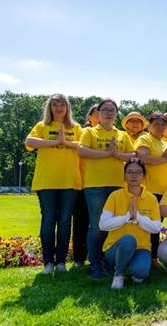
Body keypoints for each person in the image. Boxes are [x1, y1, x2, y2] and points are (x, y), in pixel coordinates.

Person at [79, 98, 136, 279]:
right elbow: (82, 150)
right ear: (98, 114)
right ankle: (95, 263)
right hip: (96, 186)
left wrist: (116, 154)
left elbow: (132, 155)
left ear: (116, 114)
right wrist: (107, 154)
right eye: (105, 110)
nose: (109, 113)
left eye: (112, 110)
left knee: (115, 226)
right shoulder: (90, 132)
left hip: (118, 186)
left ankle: (109, 262)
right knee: (97, 226)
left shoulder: (122, 135)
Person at [25, 93, 82, 274]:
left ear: (67, 108)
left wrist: (65, 142)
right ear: (50, 108)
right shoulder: (42, 126)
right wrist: (55, 141)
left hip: (69, 181)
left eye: (62, 105)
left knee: (65, 222)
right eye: (55, 105)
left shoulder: (75, 127)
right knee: (49, 220)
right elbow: (29, 141)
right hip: (46, 181)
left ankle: (61, 262)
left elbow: (83, 146)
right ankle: (48, 263)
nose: (59, 108)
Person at [99, 160, 161, 289]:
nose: (134, 175)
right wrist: (127, 217)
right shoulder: (115, 196)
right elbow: (103, 225)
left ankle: (132, 268)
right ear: (124, 175)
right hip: (115, 248)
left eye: (138, 172)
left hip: (141, 248)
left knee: (140, 273)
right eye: (130, 172)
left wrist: (137, 217)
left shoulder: (151, 198)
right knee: (128, 240)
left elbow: (156, 228)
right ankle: (119, 274)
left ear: (143, 175)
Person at [135, 112, 167, 266]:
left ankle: (153, 258)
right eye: (156, 124)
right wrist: (164, 158)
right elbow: (143, 158)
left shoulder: (166, 144)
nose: (160, 127)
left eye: (163, 124)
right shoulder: (145, 138)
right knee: (145, 225)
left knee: (156, 226)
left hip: (164, 191)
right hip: (147, 190)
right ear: (149, 125)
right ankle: (143, 257)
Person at [72, 104, 99, 267]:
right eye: (96, 114)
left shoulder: (111, 133)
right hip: (82, 184)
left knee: (98, 223)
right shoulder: (83, 132)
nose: (99, 116)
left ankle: (96, 256)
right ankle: (79, 258)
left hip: (101, 184)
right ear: (89, 117)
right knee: (81, 223)